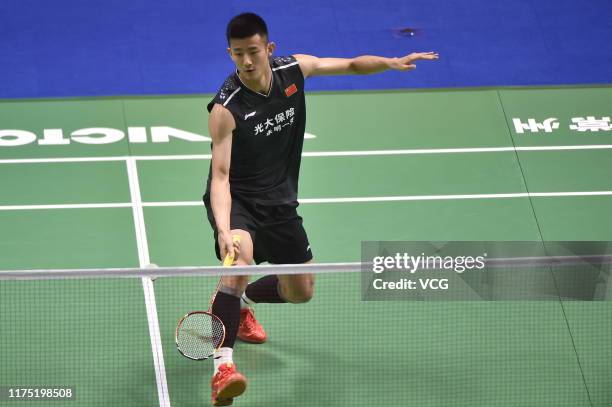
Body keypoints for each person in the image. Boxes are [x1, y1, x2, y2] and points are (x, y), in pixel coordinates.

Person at [203, 12, 439, 406]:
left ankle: (239, 306)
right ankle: (222, 368)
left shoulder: (294, 70)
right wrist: (225, 229)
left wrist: (391, 62)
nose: (247, 61)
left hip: (280, 204)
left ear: (269, 49)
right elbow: (221, 177)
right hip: (240, 202)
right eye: (238, 54)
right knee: (239, 261)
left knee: (301, 292)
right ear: (230, 53)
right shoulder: (225, 109)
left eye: (254, 52)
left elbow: (347, 64)